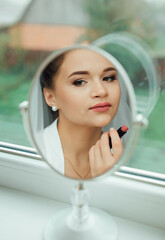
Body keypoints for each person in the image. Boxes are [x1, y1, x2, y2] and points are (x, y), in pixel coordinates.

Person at [39, 46, 131, 179]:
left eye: (108, 78)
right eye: (80, 82)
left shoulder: (123, 157)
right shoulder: (35, 154)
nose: (101, 91)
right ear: (51, 98)